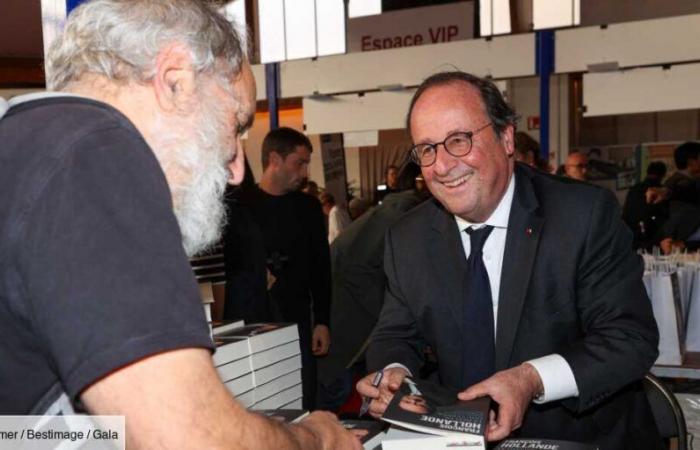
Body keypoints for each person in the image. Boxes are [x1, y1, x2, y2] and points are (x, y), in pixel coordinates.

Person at [0, 2, 360, 449]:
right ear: (175, 80)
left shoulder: (30, 144)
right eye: (237, 124)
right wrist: (317, 439)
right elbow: (191, 439)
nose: (236, 171)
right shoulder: (97, 159)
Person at [356, 71, 660, 449]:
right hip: (458, 438)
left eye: (458, 140)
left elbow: (630, 338)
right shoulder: (408, 238)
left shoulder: (582, 215)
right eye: (428, 149)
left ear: (506, 137)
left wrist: (531, 379)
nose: (442, 165)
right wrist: (394, 375)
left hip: (581, 437)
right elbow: (395, 334)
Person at [236, 127, 332, 410]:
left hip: (299, 322)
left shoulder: (309, 208)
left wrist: (323, 321)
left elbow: (321, 268)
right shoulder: (241, 207)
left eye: (306, 164)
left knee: (301, 402)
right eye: (299, 163)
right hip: (253, 324)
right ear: (275, 159)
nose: (304, 173)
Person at [622, 161, 668, 250]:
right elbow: (662, 215)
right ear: (663, 175)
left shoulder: (634, 189)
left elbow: (626, 210)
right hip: (650, 233)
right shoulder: (659, 191)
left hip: (631, 230)